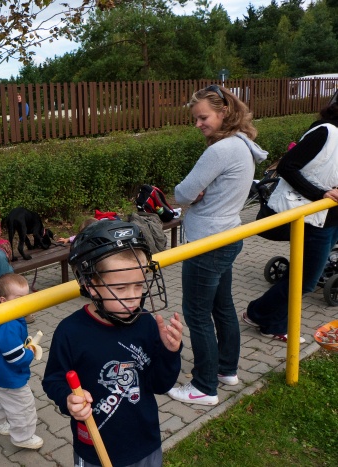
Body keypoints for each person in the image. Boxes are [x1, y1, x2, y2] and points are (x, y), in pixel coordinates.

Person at [43, 220, 182, 467]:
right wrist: (68, 399)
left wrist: (170, 353)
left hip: (145, 445)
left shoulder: (147, 323)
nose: (132, 296)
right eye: (119, 287)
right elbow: (53, 379)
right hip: (95, 450)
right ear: (91, 286)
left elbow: (160, 385)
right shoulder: (70, 332)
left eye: (139, 285)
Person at [168, 85, 267, 406]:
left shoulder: (220, 150)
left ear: (223, 112)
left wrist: (193, 193)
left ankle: (204, 387)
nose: (198, 124)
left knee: (196, 314)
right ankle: (226, 370)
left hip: (206, 243)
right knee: (221, 307)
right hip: (227, 237)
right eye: (195, 119)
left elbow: (182, 193)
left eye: (203, 117)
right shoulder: (243, 145)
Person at [244, 99, 338, 343]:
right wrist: (320, 194)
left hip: (330, 219)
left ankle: (268, 321)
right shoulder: (326, 132)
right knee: (306, 281)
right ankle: (258, 313)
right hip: (312, 218)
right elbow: (287, 166)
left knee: (303, 275)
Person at [0, 273, 44, 450]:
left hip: (0, 374)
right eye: (19, 298)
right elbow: (15, 358)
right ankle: (23, 437)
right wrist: (30, 352)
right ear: (4, 300)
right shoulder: (8, 325)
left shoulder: (5, 314)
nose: (25, 302)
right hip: (10, 376)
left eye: (27, 297)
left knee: (1, 397)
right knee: (23, 406)